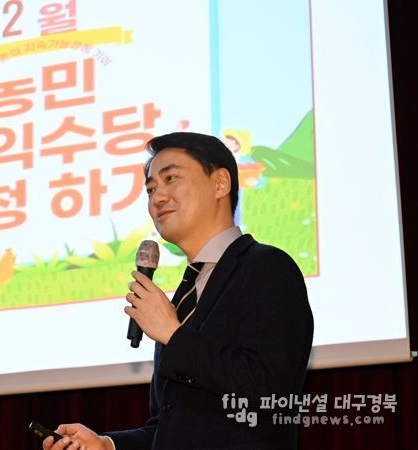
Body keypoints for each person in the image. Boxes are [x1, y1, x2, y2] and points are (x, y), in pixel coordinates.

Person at [43, 132, 314, 450]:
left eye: (171, 178)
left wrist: (174, 334)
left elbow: (270, 390)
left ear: (220, 184)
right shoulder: (185, 296)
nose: (157, 198)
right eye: (151, 189)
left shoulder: (266, 267)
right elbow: (170, 428)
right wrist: (108, 445)